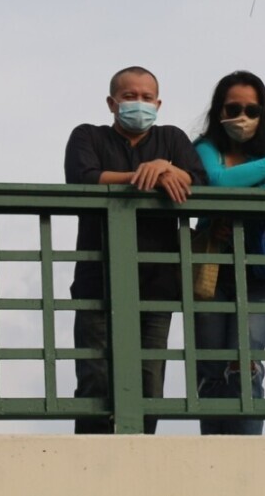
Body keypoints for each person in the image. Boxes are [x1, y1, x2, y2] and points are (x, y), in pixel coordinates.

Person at [64, 65, 205, 434]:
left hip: (157, 284)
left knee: (148, 385)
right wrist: (148, 175)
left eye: (146, 97)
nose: (138, 103)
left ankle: (137, 463)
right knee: (95, 380)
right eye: (129, 97)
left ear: (158, 103)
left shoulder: (172, 139)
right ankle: (91, 466)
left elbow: (198, 180)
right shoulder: (88, 136)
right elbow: (84, 178)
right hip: (98, 280)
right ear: (112, 103)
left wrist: (168, 167)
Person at [192, 70, 265, 435]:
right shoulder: (205, 146)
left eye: (252, 109)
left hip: (260, 269)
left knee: (246, 364)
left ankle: (246, 457)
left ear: (263, 112)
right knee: (211, 372)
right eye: (234, 107)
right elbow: (216, 181)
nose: (243, 116)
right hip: (211, 268)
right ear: (219, 110)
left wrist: (233, 198)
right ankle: (215, 461)